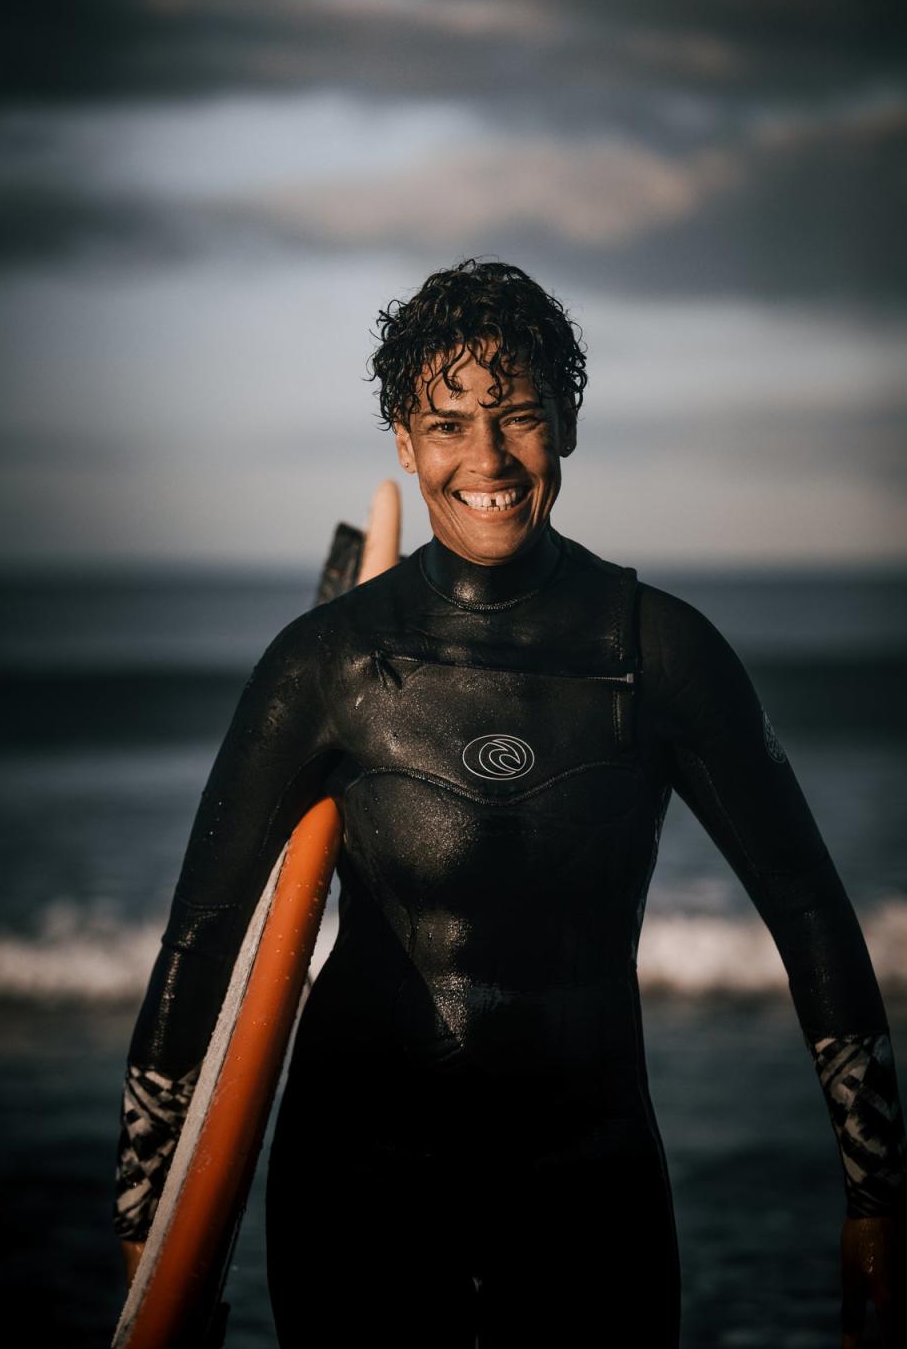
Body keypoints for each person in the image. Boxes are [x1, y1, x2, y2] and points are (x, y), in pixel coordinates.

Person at [114, 259, 906, 1346]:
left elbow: (810, 915)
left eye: (520, 417)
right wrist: (148, 1217)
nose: (485, 460)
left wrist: (877, 1196)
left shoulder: (660, 653)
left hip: (588, 1183)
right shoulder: (328, 663)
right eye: (447, 425)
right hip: (361, 1185)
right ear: (404, 440)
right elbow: (203, 938)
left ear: (567, 424)